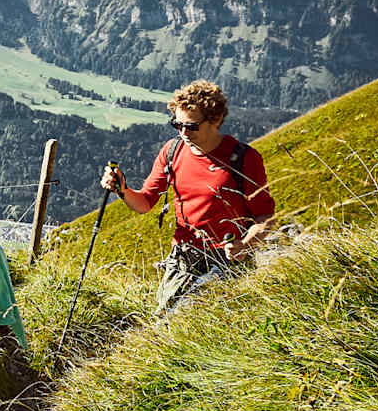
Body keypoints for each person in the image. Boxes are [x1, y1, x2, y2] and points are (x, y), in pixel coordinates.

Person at [100, 80, 275, 313]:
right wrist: (122, 190)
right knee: (165, 321)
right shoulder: (173, 151)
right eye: (177, 124)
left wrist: (245, 244)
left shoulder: (243, 158)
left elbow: (266, 217)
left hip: (227, 258)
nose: (183, 133)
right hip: (183, 257)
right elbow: (144, 203)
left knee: (184, 316)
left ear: (216, 120)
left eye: (191, 126)